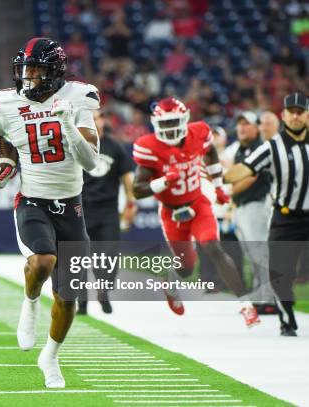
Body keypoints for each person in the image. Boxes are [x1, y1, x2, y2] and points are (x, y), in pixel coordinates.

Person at [0, 38, 100, 388]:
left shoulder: (79, 97)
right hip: (34, 201)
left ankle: (51, 356)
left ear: (55, 71)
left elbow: (91, 161)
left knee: (68, 295)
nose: (28, 77)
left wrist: (69, 125)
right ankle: (29, 302)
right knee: (43, 260)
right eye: (24, 69)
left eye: (36, 69)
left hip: (71, 206)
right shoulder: (6, 103)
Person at [132, 97, 259, 327]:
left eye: (174, 123)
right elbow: (138, 190)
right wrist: (162, 182)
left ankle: (246, 305)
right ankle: (170, 281)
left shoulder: (198, 133)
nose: (170, 129)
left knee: (212, 245)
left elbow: (210, 153)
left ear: (184, 120)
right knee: (186, 268)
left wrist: (218, 185)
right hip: (172, 212)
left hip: (197, 203)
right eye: (166, 124)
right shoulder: (149, 146)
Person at [225, 92, 309, 336]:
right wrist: (216, 175)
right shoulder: (273, 146)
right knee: (280, 271)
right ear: (283, 115)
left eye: (299, 111)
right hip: (286, 217)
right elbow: (244, 169)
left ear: (307, 115)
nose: (294, 116)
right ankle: (287, 318)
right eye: (290, 112)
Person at [78, 110, 136, 314]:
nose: (96, 121)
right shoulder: (77, 144)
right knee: (80, 257)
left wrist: (131, 203)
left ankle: (104, 290)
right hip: (82, 208)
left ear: (103, 120)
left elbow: (127, 176)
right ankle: (81, 301)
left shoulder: (114, 147)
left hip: (108, 209)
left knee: (111, 254)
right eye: (91, 118)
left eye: (98, 117)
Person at [228, 112, 276, 313]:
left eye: (246, 124)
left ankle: (270, 299)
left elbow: (251, 178)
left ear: (256, 128)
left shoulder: (259, 148)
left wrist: (225, 191)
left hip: (257, 204)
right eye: (239, 124)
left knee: (261, 253)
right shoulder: (241, 149)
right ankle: (260, 295)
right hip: (243, 207)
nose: (241, 128)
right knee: (251, 254)